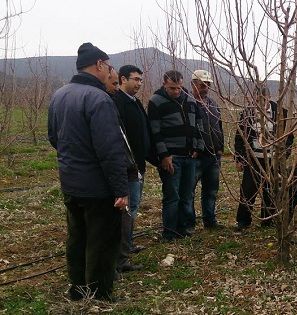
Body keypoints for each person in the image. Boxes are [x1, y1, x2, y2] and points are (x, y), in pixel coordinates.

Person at [47, 42, 128, 301]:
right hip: (98, 186)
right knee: (102, 240)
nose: (110, 72)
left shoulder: (60, 95)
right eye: (109, 66)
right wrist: (120, 189)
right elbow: (110, 149)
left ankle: (77, 288)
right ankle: (100, 293)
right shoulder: (99, 98)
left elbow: (53, 137)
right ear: (100, 65)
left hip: (71, 182)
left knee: (77, 237)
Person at [148, 70, 205, 241]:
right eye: (172, 88)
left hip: (190, 156)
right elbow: (155, 132)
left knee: (187, 195)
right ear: (164, 83)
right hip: (172, 157)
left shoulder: (190, 100)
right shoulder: (156, 101)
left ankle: (183, 227)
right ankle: (169, 232)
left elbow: (199, 124)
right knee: (172, 196)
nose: (176, 91)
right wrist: (164, 155)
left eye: (179, 88)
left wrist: (198, 147)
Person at [234, 86, 294, 231]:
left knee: (271, 190)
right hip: (254, 159)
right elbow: (239, 138)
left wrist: (283, 155)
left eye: (263, 99)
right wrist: (240, 158)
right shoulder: (246, 114)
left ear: (269, 97)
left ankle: (268, 220)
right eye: (257, 99)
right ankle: (243, 221)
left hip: (273, 159)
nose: (260, 102)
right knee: (248, 191)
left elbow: (289, 136)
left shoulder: (280, 113)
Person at [113, 65, 151, 272]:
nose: (138, 83)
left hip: (138, 166)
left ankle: (126, 246)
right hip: (127, 168)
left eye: (140, 80)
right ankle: (121, 258)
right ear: (122, 79)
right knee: (126, 211)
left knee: (133, 209)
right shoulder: (116, 102)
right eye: (135, 79)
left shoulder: (135, 103)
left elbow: (143, 134)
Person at [191, 69, 224, 229]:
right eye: (202, 85)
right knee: (189, 191)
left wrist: (220, 148)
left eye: (207, 85)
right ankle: (188, 223)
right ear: (193, 85)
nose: (205, 88)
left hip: (213, 155)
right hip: (196, 156)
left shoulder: (213, 104)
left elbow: (219, 126)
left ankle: (210, 222)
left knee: (211, 191)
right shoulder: (188, 103)